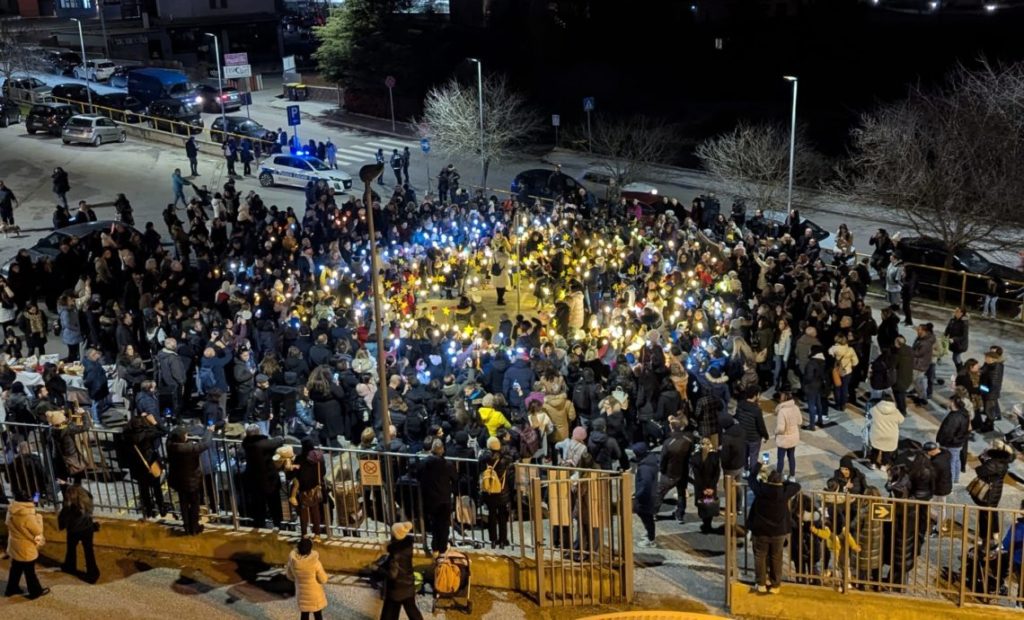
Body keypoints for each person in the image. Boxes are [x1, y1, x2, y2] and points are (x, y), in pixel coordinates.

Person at [747, 462, 800, 594]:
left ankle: (761, 583)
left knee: (760, 556)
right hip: (778, 531)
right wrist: (785, 483)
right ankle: (775, 584)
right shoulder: (783, 493)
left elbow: (751, 479)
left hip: (760, 530)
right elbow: (797, 486)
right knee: (776, 557)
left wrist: (757, 467)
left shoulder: (761, 490)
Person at [166, 425, 210, 535]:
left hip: (179, 481)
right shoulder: (189, 448)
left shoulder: (170, 446)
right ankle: (194, 528)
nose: (187, 436)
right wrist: (209, 431)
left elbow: (169, 437)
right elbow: (205, 444)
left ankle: (186, 526)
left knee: (183, 503)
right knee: (194, 504)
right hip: (192, 481)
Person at [4, 490, 48, 599]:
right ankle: (35, 592)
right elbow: (38, 531)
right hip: (25, 547)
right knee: (29, 571)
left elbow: (7, 523)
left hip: (14, 544)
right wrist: (38, 517)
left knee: (16, 568)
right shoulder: (27, 515)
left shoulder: (11, 509)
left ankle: (11, 589)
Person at [242, 424, 285, 530]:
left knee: (258, 503)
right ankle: (277, 523)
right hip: (268, 479)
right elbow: (277, 441)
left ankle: (259, 523)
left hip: (254, 479)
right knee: (274, 502)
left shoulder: (246, 444)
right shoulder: (261, 444)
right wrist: (280, 437)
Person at [418, 438, 456, 555]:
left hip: (430, 498)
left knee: (434, 523)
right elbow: (455, 478)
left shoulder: (424, 463)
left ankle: (435, 546)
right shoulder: (448, 464)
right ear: (442, 450)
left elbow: (418, 475)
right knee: (444, 524)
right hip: (444, 498)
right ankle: (442, 547)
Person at [971, 439, 1013, 543]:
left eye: (990, 445)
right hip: (994, 491)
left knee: (985, 516)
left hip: (989, 493)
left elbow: (980, 471)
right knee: (991, 513)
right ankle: (994, 534)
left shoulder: (994, 462)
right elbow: (982, 459)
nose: (988, 446)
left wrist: (986, 455)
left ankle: (987, 539)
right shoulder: (1000, 459)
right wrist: (985, 453)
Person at [380, 521, 423, 620]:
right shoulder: (407, 547)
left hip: (397, 588)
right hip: (408, 585)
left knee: (389, 612)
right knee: (412, 610)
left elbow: (392, 574)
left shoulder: (395, 553)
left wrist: (379, 570)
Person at [58, 483, 99, 583]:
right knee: (89, 552)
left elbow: (62, 521)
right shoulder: (87, 503)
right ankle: (93, 574)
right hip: (88, 529)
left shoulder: (69, 508)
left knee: (71, 550)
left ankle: (70, 566)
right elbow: (89, 494)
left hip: (74, 532)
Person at [479, 435, 512, 548]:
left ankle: (493, 540)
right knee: (503, 516)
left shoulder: (484, 459)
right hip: (502, 491)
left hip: (489, 492)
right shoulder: (504, 459)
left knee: (491, 516)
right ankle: (503, 540)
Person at [659, 415, 692, 523]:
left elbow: (663, 459)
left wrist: (662, 470)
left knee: (659, 493)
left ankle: (653, 512)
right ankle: (680, 514)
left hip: (670, 472)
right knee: (682, 493)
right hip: (683, 471)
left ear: (672, 427)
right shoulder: (688, 440)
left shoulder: (668, 443)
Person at [286, 537, 329, 620]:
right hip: (315, 595)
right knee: (318, 615)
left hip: (301, 594)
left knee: (304, 615)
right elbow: (323, 579)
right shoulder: (315, 563)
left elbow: (289, 575)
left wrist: (298, 579)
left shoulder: (292, 561)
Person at [935, 395, 970, 484]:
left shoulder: (954, 418)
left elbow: (948, 433)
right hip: (959, 442)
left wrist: (941, 442)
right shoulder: (963, 413)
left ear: (953, 403)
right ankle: (956, 479)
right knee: (956, 460)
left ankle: (950, 483)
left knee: (951, 463)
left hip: (951, 444)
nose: (948, 403)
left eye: (949, 401)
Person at [633, 441, 661, 548]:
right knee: (647, 517)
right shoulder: (651, 461)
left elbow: (645, 484)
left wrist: (637, 495)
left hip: (646, 497)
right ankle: (649, 533)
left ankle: (650, 539)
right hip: (650, 495)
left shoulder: (645, 468)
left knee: (646, 517)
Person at [735, 386, 769, 471]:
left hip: (743, 436)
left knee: (744, 455)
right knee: (753, 456)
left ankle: (745, 471)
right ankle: (752, 475)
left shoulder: (740, 404)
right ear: (755, 395)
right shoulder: (756, 410)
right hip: (754, 438)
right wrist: (766, 436)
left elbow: (737, 417)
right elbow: (761, 426)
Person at [866, 395, 904, 471]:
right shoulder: (895, 411)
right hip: (890, 435)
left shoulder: (875, 409)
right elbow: (901, 420)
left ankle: (873, 464)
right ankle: (883, 465)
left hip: (877, 434)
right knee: (886, 451)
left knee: (875, 450)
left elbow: (869, 415)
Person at [774, 390, 800, 482]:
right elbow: (800, 421)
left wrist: (775, 432)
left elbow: (780, 428)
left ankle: (778, 477)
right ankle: (792, 476)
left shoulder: (782, 411)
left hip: (784, 439)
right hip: (793, 438)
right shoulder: (796, 408)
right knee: (791, 457)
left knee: (780, 458)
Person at [944, 307, 969, 372]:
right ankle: (961, 369)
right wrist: (945, 335)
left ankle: (961, 370)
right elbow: (948, 328)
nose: (955, 312)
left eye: (957, 311)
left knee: (956, 357)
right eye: (955, 311)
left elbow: (964, 336)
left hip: (960, 344)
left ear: (961, 313)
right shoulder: (952, 320)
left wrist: (954, 339)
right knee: (955, 357)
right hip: (954, 343)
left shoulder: (964, 322)